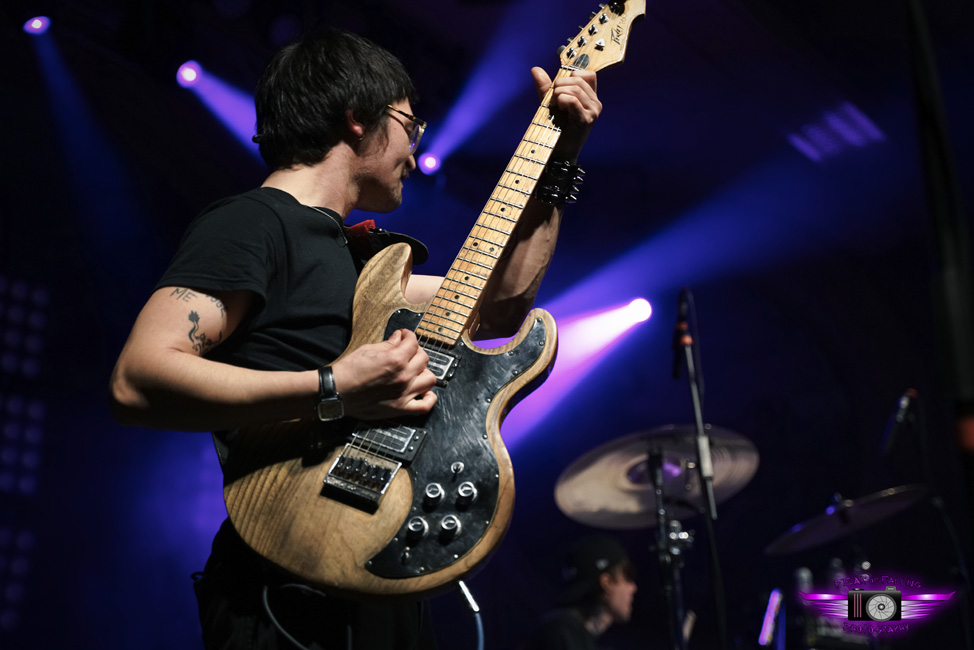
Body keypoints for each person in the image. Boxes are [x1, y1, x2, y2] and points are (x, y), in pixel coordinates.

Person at [109, 26, 601, 650]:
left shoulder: (368, 261)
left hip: (381, 564)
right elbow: (139, 377)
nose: (415, 151)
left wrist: (560, 156)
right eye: (408, 124)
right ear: (356, 119)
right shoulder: (251, 223)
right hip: (286, 581)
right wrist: (337, 386)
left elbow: (501, 308)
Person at [520, 535, 638, 650]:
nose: (633, 588)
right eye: (628, 576)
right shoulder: (560, 631)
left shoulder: (571, 633)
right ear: (606, 583)